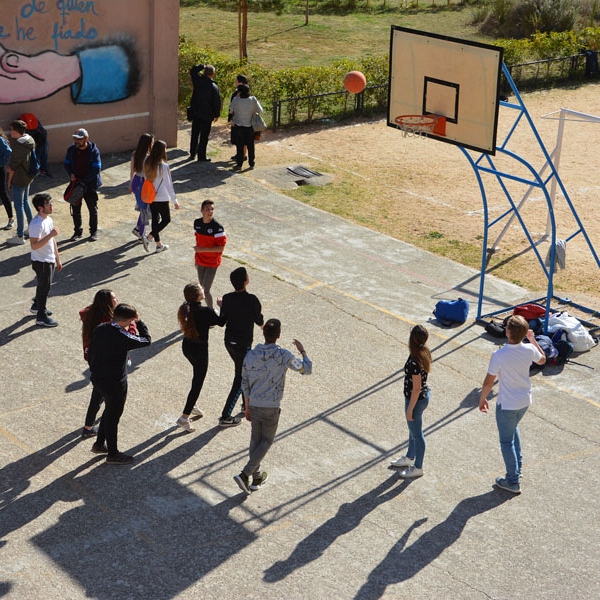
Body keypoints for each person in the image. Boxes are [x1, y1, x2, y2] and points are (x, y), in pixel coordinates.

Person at [233, 318, 312, 494]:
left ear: (263, 334)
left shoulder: (251, 354)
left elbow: (244, 381)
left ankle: (257, 477)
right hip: (271, 406)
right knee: (267, 441)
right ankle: (245, 474)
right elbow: (305, 369)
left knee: (256, 440)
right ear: (278, 335)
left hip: (253, 403)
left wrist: (246, 405)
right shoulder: (283, 355)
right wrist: (302, 351)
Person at [479, 315, 546, 494]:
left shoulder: (499, 355)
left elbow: (487, 382)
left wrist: (482, 398)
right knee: (513, 429)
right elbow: (542, 360)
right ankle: (518, 469)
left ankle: (513, 481)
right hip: (524, 401)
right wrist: (532, 340)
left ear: (508, 332)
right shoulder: (529, 349)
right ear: (524, 333)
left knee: (505, 441)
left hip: (507, 403)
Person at [88, 303, 151, 465]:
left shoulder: (101, 328)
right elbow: (146, 340)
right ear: (126, 321)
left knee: (108, 411)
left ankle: (99, 443)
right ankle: (113, 453)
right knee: (113, 416)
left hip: (98, 378)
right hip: (115, 382)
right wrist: (141, 323)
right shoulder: (122, 336)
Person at [80, 289, 136, 439]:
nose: (117, 299)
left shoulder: (91, 314)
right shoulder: (108, 321)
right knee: (99, 395)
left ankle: (88, 425)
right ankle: (88, 427)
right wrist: (133, 323)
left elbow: (83, 311)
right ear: (107, 303)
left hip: (94, 358)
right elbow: (129, 337)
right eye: (114, 298)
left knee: (98, 391)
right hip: (107, 361)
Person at [218, 267, 264, 427]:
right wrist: (265, 327)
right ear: (246, 281)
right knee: (241, 378)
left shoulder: (227, 298)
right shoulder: (252, 300)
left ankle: (246, 404)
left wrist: (222, 306)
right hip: (243, 345)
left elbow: (222, 321)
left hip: (229, 343)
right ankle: (225, 416)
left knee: (242, 371)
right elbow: (259, 319)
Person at [175, 283, 225, 431]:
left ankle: (193, 405)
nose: (203, 289)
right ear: (198, 295)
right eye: (201, 289)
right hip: (200, 350)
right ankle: (184, 418)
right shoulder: (206, 311)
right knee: (197, 383)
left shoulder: (185, 308)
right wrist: (221, 307)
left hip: (187, 347)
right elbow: (221, 322)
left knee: (196, 378)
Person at [390, 325, 432, 479]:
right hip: (421, 397)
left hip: (415, 400)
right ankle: (409, 457)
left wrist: (410, 410)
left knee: (417, 434)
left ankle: (418, 467)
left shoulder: (415, 360)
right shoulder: (423, 352)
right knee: (413, 431)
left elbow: (416, 388)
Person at [28, 193, 62, 327]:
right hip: (41, 261)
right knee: (44, 288)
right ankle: (41, 317)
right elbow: (34, 245)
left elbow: (52, 241)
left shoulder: (48, 219)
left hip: (49, 259)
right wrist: (50, 235)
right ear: (40, 208)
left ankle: (37, 306)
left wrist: (58, 258)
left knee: (43, 285)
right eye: (48, 204)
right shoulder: (36, 224)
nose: (51, 205)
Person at [63, 128, 102, 241]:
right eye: (75, 139)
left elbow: (96, 168)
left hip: (90, 185)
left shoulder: (94, 151)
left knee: (92, 209)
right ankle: (77, 232)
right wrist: (70, 173)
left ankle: (93, 232)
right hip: (76, 184)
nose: (76, 141)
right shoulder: (71, 150)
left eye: (79, 139)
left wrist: (85, 181)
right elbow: (66, 163)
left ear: (86, 139)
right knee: (75, 209)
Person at [143, 140, 179, 252]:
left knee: (155, 219)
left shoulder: (147, 162)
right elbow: (169, 185)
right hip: (162, 197)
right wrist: (175, 200)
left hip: (151, 196)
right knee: (166, 219)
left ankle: (159, 245)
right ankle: (149, 237)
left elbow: (145, 178)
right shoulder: (163, 166)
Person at [5, 119, 35, 245]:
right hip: (28, 177)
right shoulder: (29, 140)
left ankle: (19, 235)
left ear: (17, 131)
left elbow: (11, 168)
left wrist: (9, 182)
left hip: (19, 178)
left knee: (18, 207)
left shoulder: (18, 146)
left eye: (11, 129)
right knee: (25, 202)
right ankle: (32, 229)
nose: (10, 131)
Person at [193, 199, 227, 309]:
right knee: (201, 289)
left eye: (212, 209)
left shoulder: (218, 228)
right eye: (207, 209)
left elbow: (221, 248)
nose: (210, 211)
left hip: (212, 263)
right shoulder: (197, 224)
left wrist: (202, 250)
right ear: (201, 210)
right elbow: (198, 242)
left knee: (205, 290)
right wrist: (197, 259)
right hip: (200, 261)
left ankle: (211, 312)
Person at [188, 64, 221, 162]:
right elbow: (216, 102)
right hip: (207, 115)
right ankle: (201, 155)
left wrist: (202, 66)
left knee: (194, 134)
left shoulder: (197, 81)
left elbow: (193, 71)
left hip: (196, 113)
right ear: (213, 74)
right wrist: (217, 114)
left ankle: (192, 153)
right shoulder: (213, 86)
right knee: (204, 136)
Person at [229, 83, 263, 169]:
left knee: (240, 146)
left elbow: (230, 110)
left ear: (239, 92)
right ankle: (251, 163)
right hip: (250, 126)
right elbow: (260, 110)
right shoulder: (253, 99)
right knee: (250, 145)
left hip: (239, 126)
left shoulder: (236, 100)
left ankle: (239, 164)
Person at [130, 132, 154, 252]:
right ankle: (140, 232)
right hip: (144, 183)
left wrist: (130, 185)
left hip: (136, 182)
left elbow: (132, 171)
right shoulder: (148, 157)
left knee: (143, 208)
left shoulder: (135, 154)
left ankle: (139, 230)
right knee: (145, 208)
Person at [229, 74, 248, 162]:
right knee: (239, 138)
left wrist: (231, 117)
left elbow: (232, 107)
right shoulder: (246, 92)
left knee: (241, 138)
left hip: (238, 119)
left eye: (236, 80)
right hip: (244, 119)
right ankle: (240, 154)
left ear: (240, 82)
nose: (235, 82)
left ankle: (242, 155)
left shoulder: (238, 94)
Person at [0, 126, 14, 230]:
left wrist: (1, 163)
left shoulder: (0, 140)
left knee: (3, 193)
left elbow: (8, 151)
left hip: (0, 169)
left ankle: (11, 218)